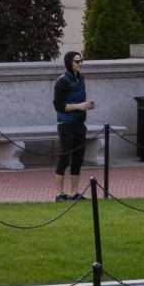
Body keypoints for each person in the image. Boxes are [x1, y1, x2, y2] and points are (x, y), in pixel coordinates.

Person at [52, 50, 93, 201]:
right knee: (64, 158)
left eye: (81, 61)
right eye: (77, 61)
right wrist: (79, 106)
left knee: (78, 159)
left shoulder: (81, 79)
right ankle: (59, 194)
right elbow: (59, 106)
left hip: (79, 124)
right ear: (69, 63)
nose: (80, 63)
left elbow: (79, 101)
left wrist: (87, 106)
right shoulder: (62, 81)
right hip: (66, 124)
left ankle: (74, 193)